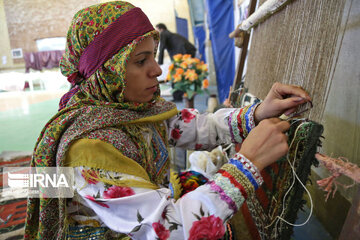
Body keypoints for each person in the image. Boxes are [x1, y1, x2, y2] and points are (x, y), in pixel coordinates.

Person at [24, 2, 311, 239]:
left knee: (195, 180)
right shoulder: (88, 149)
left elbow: (199, 127)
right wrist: (247, 165)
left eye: (154, 56)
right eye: (141, 61)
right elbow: (167, 231)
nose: (158, 70)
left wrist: (258, 113)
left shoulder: (134, 110)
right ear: (108, 71)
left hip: (142, 211)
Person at [156, 23, 197, 101]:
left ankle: (178, 97)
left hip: (183, 52)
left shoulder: (164, 33)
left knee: (176, 74)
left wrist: (159, 62)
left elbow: (161, 47)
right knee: (182, 74)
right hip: (188, 50)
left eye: (157, 30)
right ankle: (182, 95)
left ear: (161, 29)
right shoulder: (171, 35)